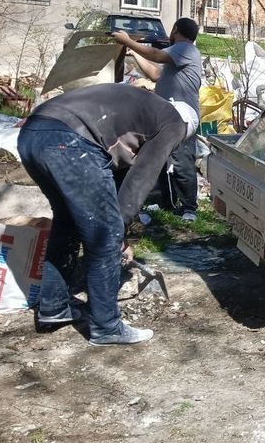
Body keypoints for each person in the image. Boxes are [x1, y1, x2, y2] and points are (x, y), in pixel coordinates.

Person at [17, 83, 198, 345]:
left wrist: (118, 226)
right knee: (105, 235)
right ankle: (106, 327)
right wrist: (118, 233)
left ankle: (54, 307)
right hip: (70, 141)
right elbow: (141, 177)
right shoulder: (174, 122)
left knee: (67, 223)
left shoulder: (143, 109)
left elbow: (118, 176)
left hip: (32, 134)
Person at [112, 18, 202, 222]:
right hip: (169, 116)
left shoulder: (185, 49)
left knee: (181, 159)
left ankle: (189, 208)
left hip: (182, 115)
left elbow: (155, 55)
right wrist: (133, 52)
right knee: (160, 157)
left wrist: (128, 41)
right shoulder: (178, 56)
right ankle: (169, 203)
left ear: (176, 29)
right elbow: (154, 74)